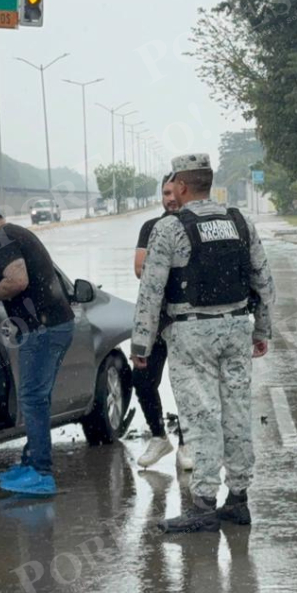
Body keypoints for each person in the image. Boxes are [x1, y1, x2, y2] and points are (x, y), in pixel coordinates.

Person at [132, 153, 276, 533]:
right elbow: (263, 278)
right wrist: (262, 330)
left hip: (191, 333)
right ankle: (239, 499)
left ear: (181, 186)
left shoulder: (171, 228)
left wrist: (141, 346)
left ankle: (203, 505)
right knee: (236, 412)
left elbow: (151, 290)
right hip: (235, 327)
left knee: (202, 417)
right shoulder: (239, 221)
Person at [0, 197, 75, 497]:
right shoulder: (15, 233)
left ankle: (40, 473)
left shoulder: (1, 240)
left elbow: (17, 280)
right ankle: (31, 462)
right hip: (53, 324)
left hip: (43, 328)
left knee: (33, 398)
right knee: (38, 398)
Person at [132, 175, 194, 471]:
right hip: (156, 317)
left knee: (186, 382)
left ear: (185, 192)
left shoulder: (192, 225)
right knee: (142, 378)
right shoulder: (151, 227)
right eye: (165, 192)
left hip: (186, 318)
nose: (170, 198)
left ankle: (186, 442)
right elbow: (140, 269)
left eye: (174, 192)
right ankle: (159, 436)